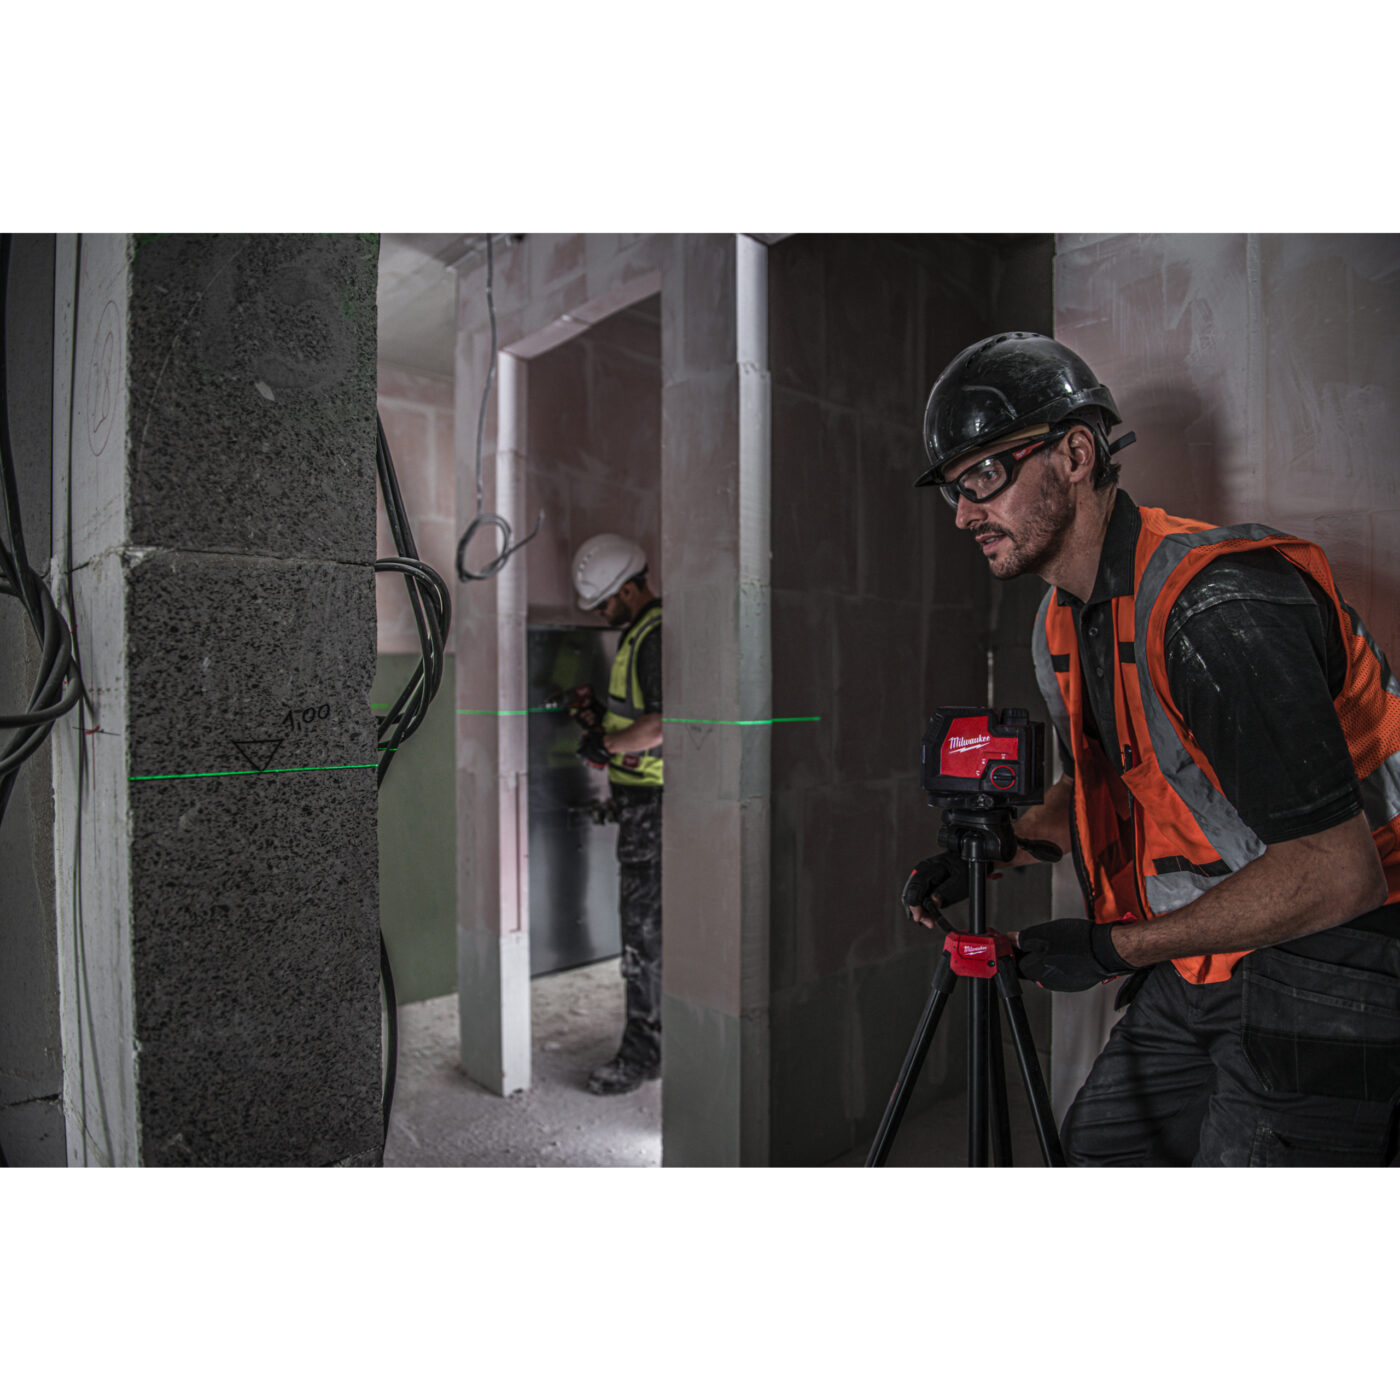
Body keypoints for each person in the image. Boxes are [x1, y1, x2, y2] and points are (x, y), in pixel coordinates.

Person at [902, 331, 1400, 1166]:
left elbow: (1337, 873)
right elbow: (1114, 789)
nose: (963, 513)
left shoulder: (1215, 609)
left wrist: (1109, 948)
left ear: (1075, 454)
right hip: (1211, 954)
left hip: (1339, 952)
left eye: (984, 475)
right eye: (953, 488)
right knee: (1100, 1155)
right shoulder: (1062, 621)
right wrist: (995, 849)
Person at [567, 533, 665, 1096]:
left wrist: (604, 747)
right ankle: (653, 1043)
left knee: (642, 935)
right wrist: (599, 718)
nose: (601, 612)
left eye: (604, 602)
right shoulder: (639, 633)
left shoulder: (653, 636)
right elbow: (636, 716)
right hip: (641, 803)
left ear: (628, 589)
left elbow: (660, 725)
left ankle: (642, 1054)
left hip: (652, 806)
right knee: (647, 931)